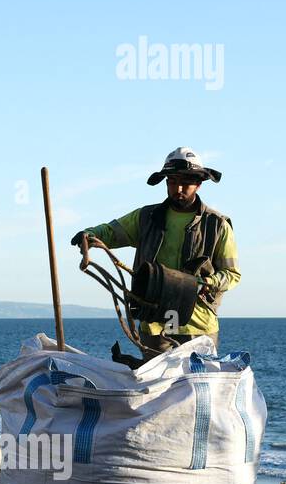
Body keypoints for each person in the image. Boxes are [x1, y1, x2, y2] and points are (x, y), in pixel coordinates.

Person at [72, 147, 240, 353]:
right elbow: (110, 232)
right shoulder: (145, 218)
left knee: (197, 385)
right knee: (155, 384)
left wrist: (205, 283)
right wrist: (89, 234)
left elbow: (232, 275)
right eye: (172, 182)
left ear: (199, 183)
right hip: (154, 322)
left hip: (199, 326)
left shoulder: (217, 225)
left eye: (185, 182)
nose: (178, 188)